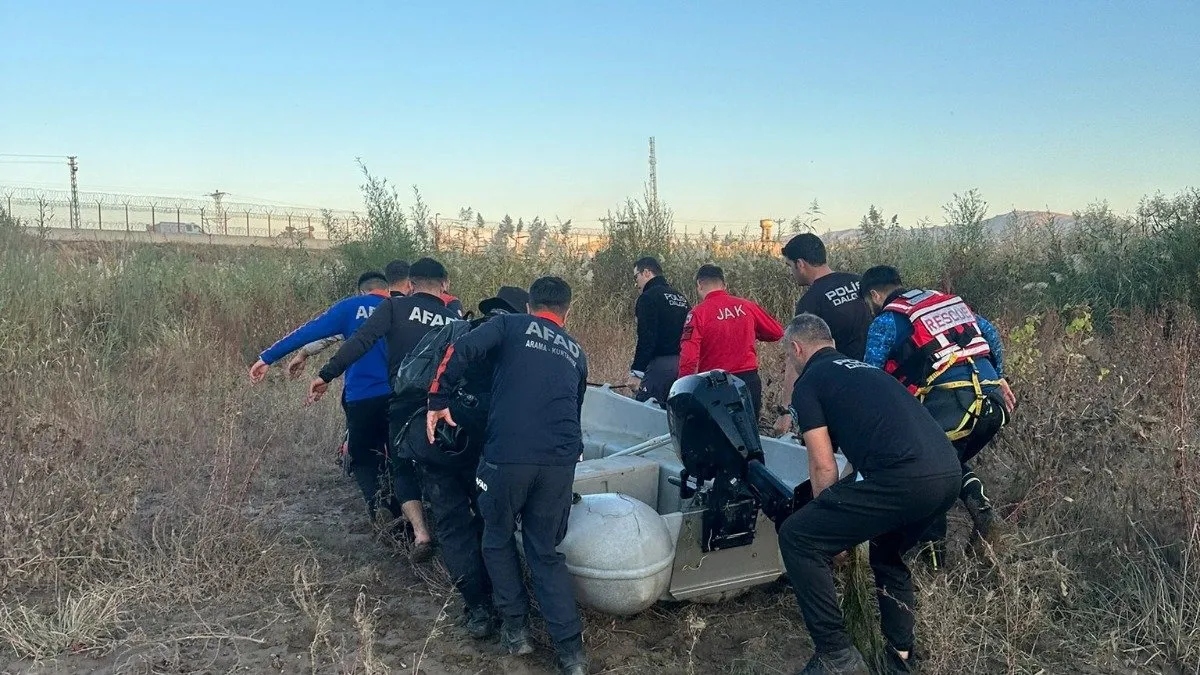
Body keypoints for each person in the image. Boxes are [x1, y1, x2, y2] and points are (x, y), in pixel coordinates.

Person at [778, 314, 962, 674]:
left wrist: (834, 534)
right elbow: (865, 455)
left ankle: (836, 656)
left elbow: (822, 466)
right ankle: (899, 660)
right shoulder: (867, 372)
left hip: (905, 479)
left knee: (799, 537)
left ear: (797, 349)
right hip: (948, 474)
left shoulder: (811, 382)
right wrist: (846, 510)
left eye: (788, 357)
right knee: (886, 554)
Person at [425, 277, 589, 675]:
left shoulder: (508, 325)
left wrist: (437, 399)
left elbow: (460, 347)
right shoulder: (576, 352)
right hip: (559, 462)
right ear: (567, 311)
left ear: (530, 306)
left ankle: (517, 631)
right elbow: (575, 405)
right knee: (545, 552)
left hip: (508, 457)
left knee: (496, 538)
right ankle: (572, 654)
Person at [394, 286, 530, 642]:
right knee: (491, 524)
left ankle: (477, 610)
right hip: (485, 450)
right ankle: (506, 607)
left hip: (438, 444)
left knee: (454, 526)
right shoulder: (518, 347)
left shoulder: (463, 331)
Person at [859, 265, 1016, 567]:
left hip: (954, 405)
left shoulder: (887, 321)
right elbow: (991, 332)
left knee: (929, 476)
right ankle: (981, 506)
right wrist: (1000, 375)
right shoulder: (945, 305)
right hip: (993, 403)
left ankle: (933, 565)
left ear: (875, 294)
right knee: (948, 462)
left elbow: (872, 376)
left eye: (869, 302)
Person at [309, 257, 462, 563]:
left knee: (401, 464)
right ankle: (454, 532)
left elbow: (361, 341)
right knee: (444, 465)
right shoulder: (454, 322)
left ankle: (420, 534)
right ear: (444, 285)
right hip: (440, 405)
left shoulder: (394, 308)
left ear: (411, 284)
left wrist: (326, 374)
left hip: (403, 402)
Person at [248, 271, 402, 524]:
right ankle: (401, 509)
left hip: (361, 396)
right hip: (399, 395)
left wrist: (267, 358)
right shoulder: (401, 308)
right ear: (388, 289)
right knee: (399, 456)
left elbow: (309, 331)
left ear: (361, 291)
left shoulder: (349, 308)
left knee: (362, 456)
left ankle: (378, 509)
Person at [774, 234, 874, 435]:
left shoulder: (811, 302)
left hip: (841, 390)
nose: (791, 272)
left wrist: (786, 410)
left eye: (790, 266)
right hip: (876, 382)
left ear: (800, 264)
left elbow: (797, 355)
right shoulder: (861, 282)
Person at [678, 264, 784, 420]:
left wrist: (683, 390)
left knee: (720, 437)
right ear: (724, 284)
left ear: (700, 284)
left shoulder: (698, 314)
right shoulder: (747, 306)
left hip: (716, 384)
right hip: (748, 381)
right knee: (749, 434)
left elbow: (689, 358)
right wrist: (751, 332)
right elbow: (776, 332)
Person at [284, 259, 413, 378]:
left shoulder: (354, 312)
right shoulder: (405, 310)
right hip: (398, 386)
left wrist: (303, 354)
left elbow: (327, 337)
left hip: (361, 387)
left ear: (361, 292)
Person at [627, 256, 691, 405]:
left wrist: (637, 372)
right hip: (684, 366)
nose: (636, 283)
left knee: (645, 412)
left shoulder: (648, 298)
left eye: (636, 276)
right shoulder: (681, 298)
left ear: (647, 273)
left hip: (660, 367)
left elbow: (646, 338)